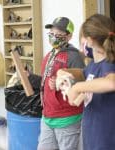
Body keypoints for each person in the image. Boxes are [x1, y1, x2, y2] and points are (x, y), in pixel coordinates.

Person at [58, 14, 115, 150]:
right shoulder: (93, 65)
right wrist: (64, 72)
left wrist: (77, 87)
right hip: (92, 137)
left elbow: (111, 83)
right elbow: (82, 73)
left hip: (105, 140)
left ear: (89, 41)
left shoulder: (109, 63)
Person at [37, 17, 85, 150]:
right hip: (47, 116)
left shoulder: (74, 56)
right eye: (51, 33)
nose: (53, 37)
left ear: (68, 36)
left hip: (67, 118)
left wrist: (62, 83)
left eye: (58, 34)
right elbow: (45, 81)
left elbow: (82, 82)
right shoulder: (49, 55)